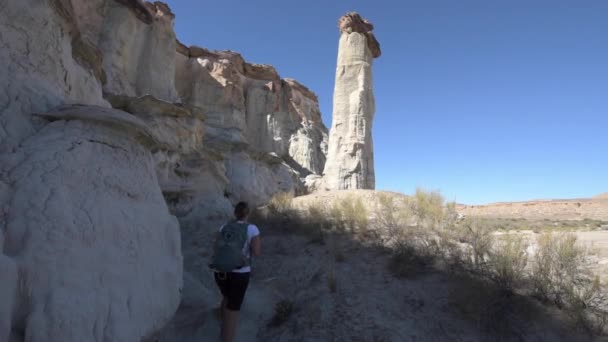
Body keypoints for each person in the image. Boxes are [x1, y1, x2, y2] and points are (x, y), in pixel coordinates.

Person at [211, 201, 261, 342]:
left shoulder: (224, 227)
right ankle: (227, 337)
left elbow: (216, 248)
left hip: (220, 271)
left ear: (235, 213)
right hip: (239, 273)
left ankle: (221, 321)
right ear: (247, 214)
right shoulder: (252, 228)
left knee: (226, 296)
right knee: (233, 309)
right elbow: (257, 252)